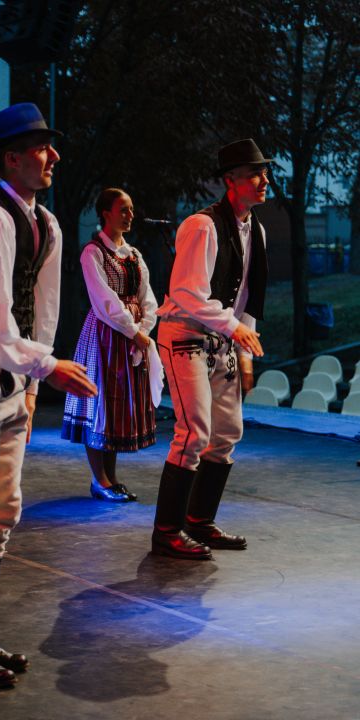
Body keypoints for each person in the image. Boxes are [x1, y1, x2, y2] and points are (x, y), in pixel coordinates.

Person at [0, 103, 97, 688]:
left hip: (10, 377)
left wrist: (31, 380)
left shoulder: (44, 222)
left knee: (5, 511)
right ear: (11, 159)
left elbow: (43, 310)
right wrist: (46, 367)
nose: (53, 156)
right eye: (40, 148)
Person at [151, 139, 269, 560]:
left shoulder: (256, 229)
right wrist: (234, 328)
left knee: (227, 433)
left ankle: (199, 520)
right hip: (185, 334)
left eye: (264, 172)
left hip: (221, 340)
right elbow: (187, 293)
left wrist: (244, 350)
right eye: (254, 174)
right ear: (231, 180)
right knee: (194, 431)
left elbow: (248, 296)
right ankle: (167, 531)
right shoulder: (202, 225)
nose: (264, 180)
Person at [61, 188, 161, 502]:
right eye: (123, 209)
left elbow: (147, 297)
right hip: (105, 336)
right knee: (101, 403)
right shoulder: (93, 253)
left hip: (130, 336)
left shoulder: (134, 255)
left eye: (131, 209)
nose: (130, 215)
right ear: (106, 213)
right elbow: (104, 300)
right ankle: (100, 479)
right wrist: (133, 331)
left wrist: (143, 329)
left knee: (117, 409)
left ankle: (111, 478)